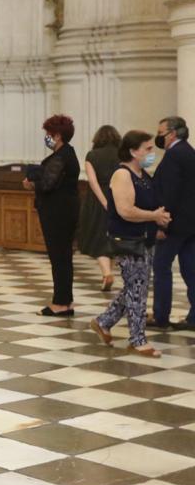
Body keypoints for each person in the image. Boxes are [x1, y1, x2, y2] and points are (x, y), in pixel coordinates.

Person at [90, 131, 171, 357]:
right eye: (148, 149)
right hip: (128, 240)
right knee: (137, 289)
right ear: (133, 151)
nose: (152, 153)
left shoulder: (142, 174)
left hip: (144, 238)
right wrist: (154, 216)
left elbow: (149, 205)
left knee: (135, 286)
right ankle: (137, 340)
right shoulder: (122, 175)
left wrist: (158, 223)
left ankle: (103, 321)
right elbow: (126, 211)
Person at [24, 114, 80, 316]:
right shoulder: (67, 153)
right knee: (63, 257)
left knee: (59, 258)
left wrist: (31, 184)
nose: (46, 137)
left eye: (48, 134)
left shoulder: (62, 156)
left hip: (58, 213)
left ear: (57, 136)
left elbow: (48, 184)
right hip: (64, 211)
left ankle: (60, 303)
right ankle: (65, 301)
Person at [150, 116, 195, 331]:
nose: (158, 137)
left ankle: (161, 316)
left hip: (174, 224)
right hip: (190, 224)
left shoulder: (174, 155)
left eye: (161, 133)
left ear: (173, 133)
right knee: (191, 269)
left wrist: (162, 224)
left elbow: (170, 192)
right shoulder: (189, 151)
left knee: (161, 267)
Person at [77, 125, 122, 291]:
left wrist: (104, 202)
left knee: (98, 237)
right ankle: (108, 272)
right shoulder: (122, 155)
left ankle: (106, 273)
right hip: (118, 196)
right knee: (112, 237)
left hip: (96, 200)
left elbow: (93, 181)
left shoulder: (92, 155)